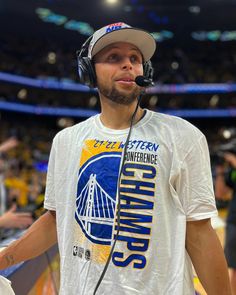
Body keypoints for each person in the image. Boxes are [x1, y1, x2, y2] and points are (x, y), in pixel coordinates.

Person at [0, 22, 232, 295]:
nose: (128, 65)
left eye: (135, 59)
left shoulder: (182, 137)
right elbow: (55, 220)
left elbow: (200, 234)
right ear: (89, 72)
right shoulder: (66, 141)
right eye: (114, 58)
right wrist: (5, 259)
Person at [215, 149, 236, 295]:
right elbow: (221, 194)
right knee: (234, 268)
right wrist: (221, 172)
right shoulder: (232, 171)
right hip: (234, 221)